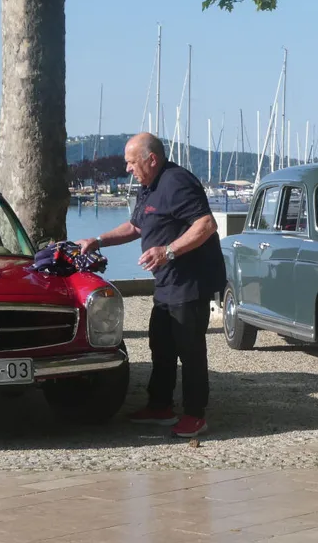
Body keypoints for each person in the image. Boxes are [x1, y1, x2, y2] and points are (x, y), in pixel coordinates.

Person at [75, 132, 224, 438]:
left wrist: (167, 251)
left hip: (190, 282)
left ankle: (195, 414)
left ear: (151, 159)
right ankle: (160, 406)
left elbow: (207, 225)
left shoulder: (177, 182)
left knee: (190, 350)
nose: (127, 169)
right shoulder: (147, 187)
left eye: (131, 162)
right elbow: (135, 226)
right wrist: (99, 240)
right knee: (161, 344)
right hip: (166, 284)